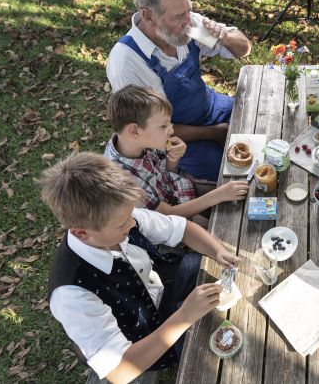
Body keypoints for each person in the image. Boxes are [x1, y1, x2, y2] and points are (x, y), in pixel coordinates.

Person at [41, 153, 240, 382]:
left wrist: (218, 251)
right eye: (121, 223)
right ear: (81, 233)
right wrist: (185, 315)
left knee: (231, 284)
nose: (133, 223)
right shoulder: (72, 294)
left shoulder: (119, 214)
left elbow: (182, 228)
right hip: (141, 339)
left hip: (163, 285)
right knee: (225, 342)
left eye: (130, 215)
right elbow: (119, 371)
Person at [106, 0, 252, 182]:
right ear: (149, 15)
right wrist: (214, 133)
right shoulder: (127, 64)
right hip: (176, 138)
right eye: (178, 16)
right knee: (234, 172)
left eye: (189, 11)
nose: (188, 20)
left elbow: (244, 49)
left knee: (256, 122)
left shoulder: (187, 23)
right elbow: (153, 132)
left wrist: (226, 37)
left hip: (210, 106)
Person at [104, 85, 249, 225]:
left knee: (244, 198)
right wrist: (218, 195)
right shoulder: (126, 181)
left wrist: (173, 158)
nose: (171, 131)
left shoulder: (136, 141)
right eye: (163, 126)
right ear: (134, 131)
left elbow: (166, 172)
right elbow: (167, 215)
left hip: (180, 189)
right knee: (232, 224)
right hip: (173, 223)